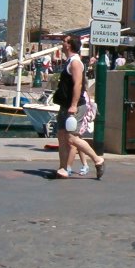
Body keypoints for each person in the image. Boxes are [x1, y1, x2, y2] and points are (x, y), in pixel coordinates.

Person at [54, 35, 105, 180]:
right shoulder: (69, 61)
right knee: (62, 137)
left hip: (74, 106)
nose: (62, 43)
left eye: (64, 41)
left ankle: (97, 159)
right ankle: (63, 168)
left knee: (72, 138)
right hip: (65, 105)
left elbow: (78, 84)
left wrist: (74, 105)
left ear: (69, 45)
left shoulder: (75, 62)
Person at [67, 88, 99, 176]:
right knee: (78, 143)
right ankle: (85, 165)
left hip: (80, 120)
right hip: (82, 120)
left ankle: (68, 168)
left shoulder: (81, 94)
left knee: (73, 143)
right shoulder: (84, 93)